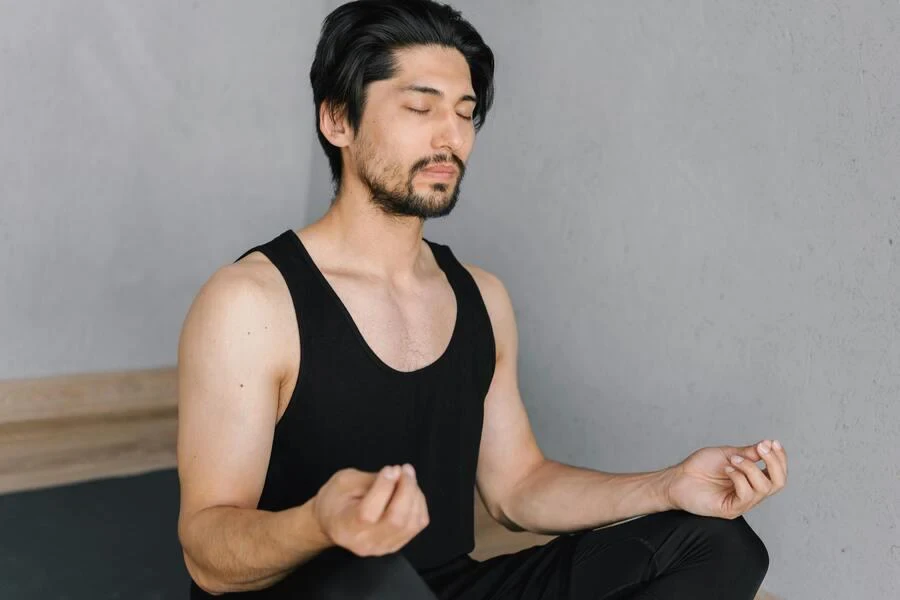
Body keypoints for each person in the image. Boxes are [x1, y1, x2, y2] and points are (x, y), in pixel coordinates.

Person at [176, 1, 787, 598]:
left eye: (465, 114)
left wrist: (671, 484)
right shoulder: (250, 304)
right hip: (326, 591)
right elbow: (208, 556)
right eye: (420, 107)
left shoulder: (482, 296)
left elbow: (517, 488)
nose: (451, 138)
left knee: (720, 543)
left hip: (445, 586)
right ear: (338, 120)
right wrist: (319, 523)